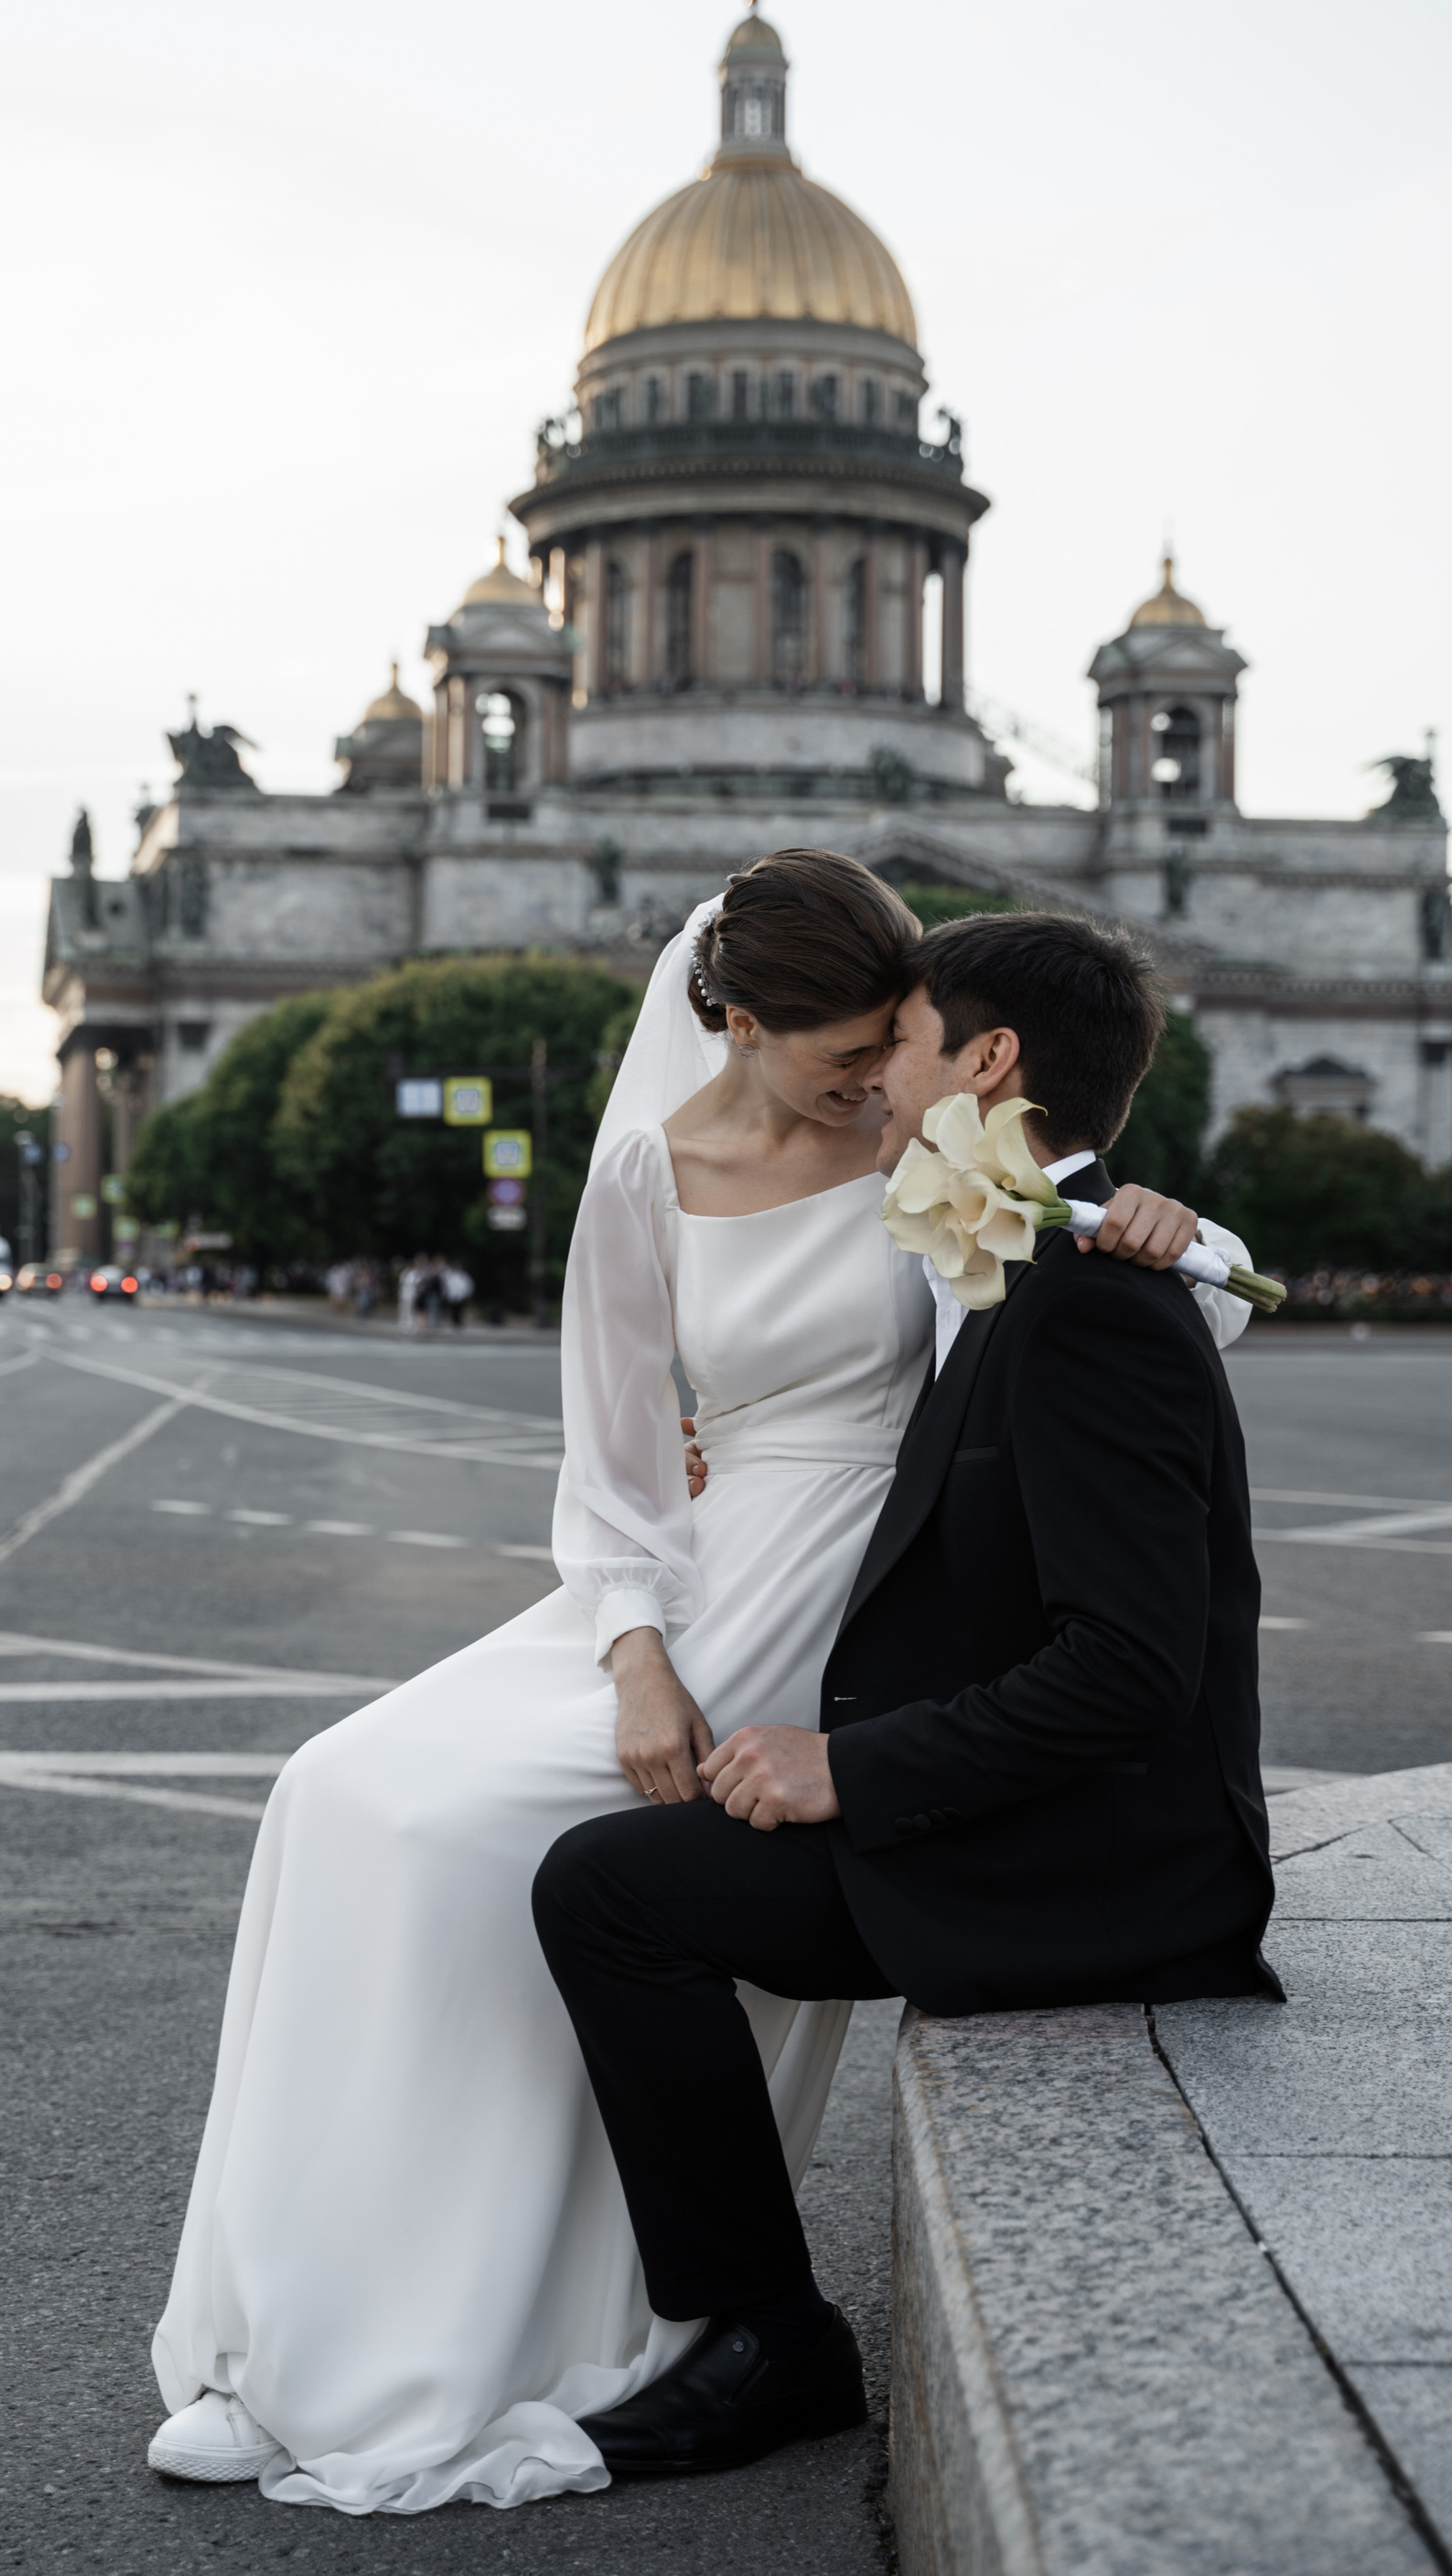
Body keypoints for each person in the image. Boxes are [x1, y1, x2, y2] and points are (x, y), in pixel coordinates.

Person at [146, 855, 1252, 2510]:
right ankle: (314, 2330)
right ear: (733, 1023)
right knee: (341, 1797)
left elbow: (1111, 1261)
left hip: (862, 1608)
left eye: (897, 1040)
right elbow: (607, 1473)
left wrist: (1186, 1223)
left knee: (498, 1857)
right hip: (693, 1583)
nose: (873, 1079)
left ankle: (533, 2329)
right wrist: (636, 1661)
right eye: (841, 1050)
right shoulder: (653, 1171)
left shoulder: (931, 1156)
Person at [532, 907, 1278, 2480]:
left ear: (989, 1061)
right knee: (612, 1877)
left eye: (906, 1044)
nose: (874, 1080)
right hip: (1049, 1819)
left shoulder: (1084, 1302)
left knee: (610, 1892)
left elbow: (1129, 1674)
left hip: (1103, 1869)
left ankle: (765, 2339)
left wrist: (842, 1775)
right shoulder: (1024, 1246)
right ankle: (751, 2326)